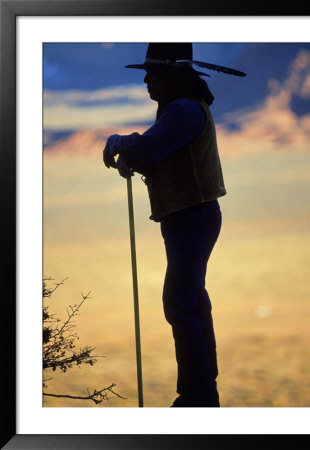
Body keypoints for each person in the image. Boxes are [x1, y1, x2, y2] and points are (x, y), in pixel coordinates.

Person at [103, 43, 245, 407]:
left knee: (180, 301)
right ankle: (202, 389)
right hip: (191, 216)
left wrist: (121, 143)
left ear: (171, 75)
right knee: (191, 298)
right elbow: (160, 155)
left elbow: (150, 149)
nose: (147, 81)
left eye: (152, 74)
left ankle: (196, 394)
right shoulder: (179, 110)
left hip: (192, 217)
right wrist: (133, 158)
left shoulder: (182, 110)